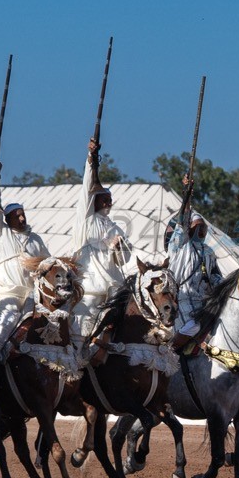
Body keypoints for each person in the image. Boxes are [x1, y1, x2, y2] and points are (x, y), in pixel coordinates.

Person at [71, 138, 133, 343]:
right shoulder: (86, 220)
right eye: (104, 198)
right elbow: (87, 187)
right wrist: (92, 160)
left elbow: (123, 260)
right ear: (94, 201)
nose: (108, 202)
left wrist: (119, 247)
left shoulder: (116, 227)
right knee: (81, 336)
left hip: (112, 293)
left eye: (110, 199)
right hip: (89, 291)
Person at [0, 157, 48, 346]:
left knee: (42, 321)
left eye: (23, 215)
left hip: (30, 293)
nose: (21, 219)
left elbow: (49, 263)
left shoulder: (35, 238)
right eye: (17, 216)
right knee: (9, 319)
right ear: (7, 219)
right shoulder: (0, 233)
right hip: (6, 293)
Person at [168, 188, 222, 351]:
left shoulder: (209, 251)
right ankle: (171, 348)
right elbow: (182, 221)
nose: (200, 229)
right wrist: (187, 196)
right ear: (189, 228)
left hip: (205, 302)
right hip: (183, 299)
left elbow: (216, 276)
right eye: (196, 226)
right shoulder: (180, 245)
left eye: (203, 227)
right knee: (196, 324)